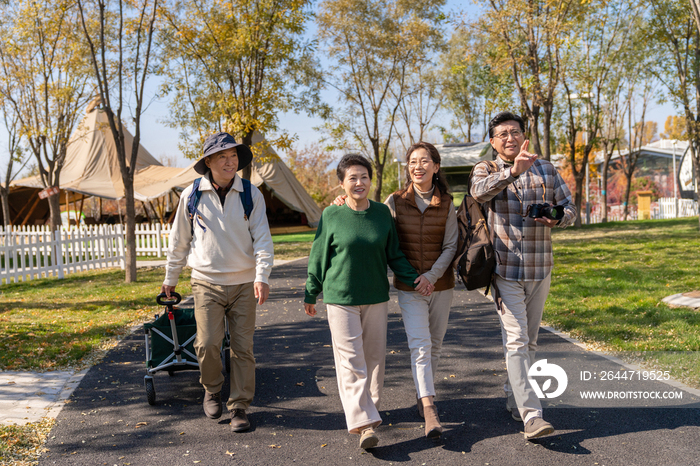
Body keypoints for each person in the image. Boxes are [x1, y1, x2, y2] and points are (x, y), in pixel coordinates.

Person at [304, 154, 432, 450]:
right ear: (342, 183)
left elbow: (394, 254)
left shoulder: (381, 214)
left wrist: (415, 279)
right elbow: (318, 255)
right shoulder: (331, 214)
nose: (359, 182)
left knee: (374, 360)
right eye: (352, 178)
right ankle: (362, 424)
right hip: (340, 298)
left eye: (364, 177)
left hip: (375, 296)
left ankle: (370, 414)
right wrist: (311, 291)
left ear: (371, 181)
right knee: (351, 362)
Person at [333, 142, 458, 439]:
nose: (418, 166)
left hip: (441, 284)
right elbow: (371, 218)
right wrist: (343, 202)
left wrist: (432, 275)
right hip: (409, 285)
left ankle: (422, 393)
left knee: (435, 344)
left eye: (425, 161)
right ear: (408, 168)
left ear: (435, 167)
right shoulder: (395, 201)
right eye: (413, 161)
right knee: (420, 345)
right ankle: (429, 407)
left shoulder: (448, 202)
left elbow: (451, 245)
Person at [470, 112, 576, 440]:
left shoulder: (544, 167)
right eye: (502, 134)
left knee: (529, 340)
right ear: (492, 141)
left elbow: (570, 208)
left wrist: (557, 217)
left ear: (524, 135)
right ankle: (532, 416)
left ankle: (515, 396)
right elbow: (478, 193)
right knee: (516, 339)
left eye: (515, 132)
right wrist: (513, 172)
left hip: (540, 266)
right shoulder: (485, 168)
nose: (510, 138)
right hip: (504, 269)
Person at [161, 132, 273, 433]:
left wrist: (262, 276)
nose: (229, 161)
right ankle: (211, 389)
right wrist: (170, 279)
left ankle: (239, 406)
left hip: (244, 283)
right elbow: (179, 243)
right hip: (206, 283)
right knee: (207, 343)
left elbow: (263, 239)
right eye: (222, 156)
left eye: (233, 156)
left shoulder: (251, 194)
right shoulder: (192, 195)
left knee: (242, 348)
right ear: (208, 161)